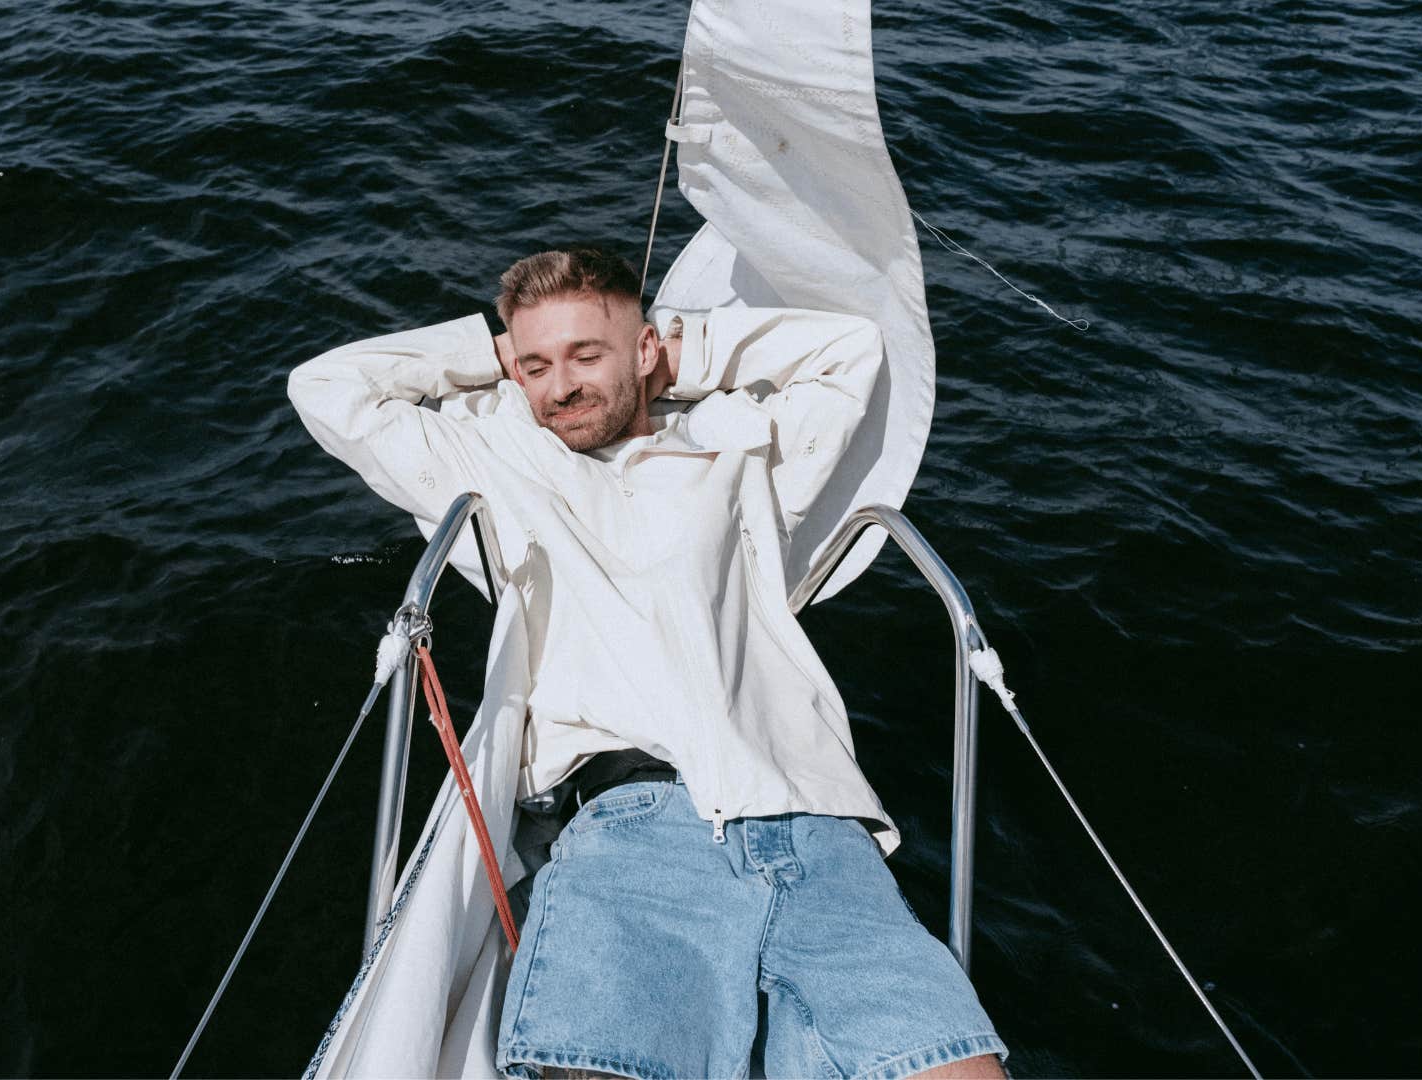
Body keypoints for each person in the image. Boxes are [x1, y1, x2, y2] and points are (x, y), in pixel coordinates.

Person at [289, 247, 1005, 1080]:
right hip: (631, 826)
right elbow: (325, 388)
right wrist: (492, 352)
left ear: (642, 350)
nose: (561, 386)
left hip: (811, 822)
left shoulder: (739, 461)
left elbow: (851, 352)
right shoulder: (499, 458)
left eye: (586, 355)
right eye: (537, 366)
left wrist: (684, 354)